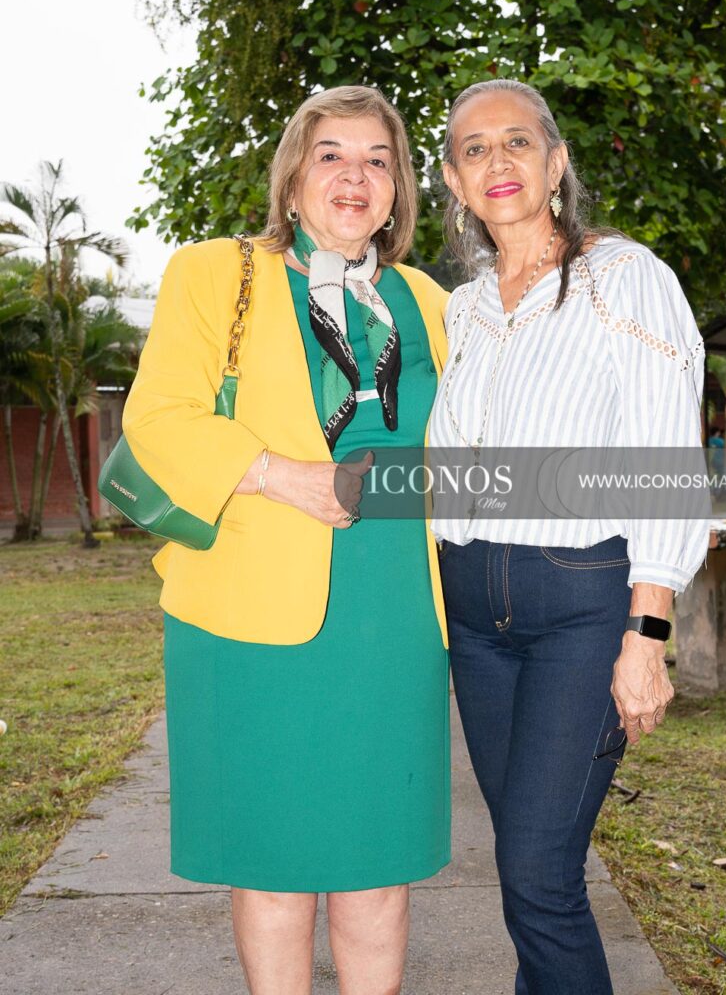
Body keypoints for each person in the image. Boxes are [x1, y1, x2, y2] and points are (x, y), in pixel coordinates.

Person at [121, 85, 450, 995]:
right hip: (250, 610)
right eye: (330, 154)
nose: (354, 176)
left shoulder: (429, 300)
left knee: (380, 862)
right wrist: (277, 474)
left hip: (394, 611)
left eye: (377, 160)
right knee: (272, 864)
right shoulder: (214, 273)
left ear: (398, 188)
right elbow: (159, 418)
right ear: (293, 178)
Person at [429, 79, 709, 995]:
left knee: (539, 875)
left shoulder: (622, 278)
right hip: (473, 618)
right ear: (453, 180)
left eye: (517, 141)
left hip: (580, 605)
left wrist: (646, 635)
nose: (497, 161)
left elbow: (666, 459)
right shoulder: (464, 308)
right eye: (474, 149)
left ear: (555, 164)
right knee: (527, 870)